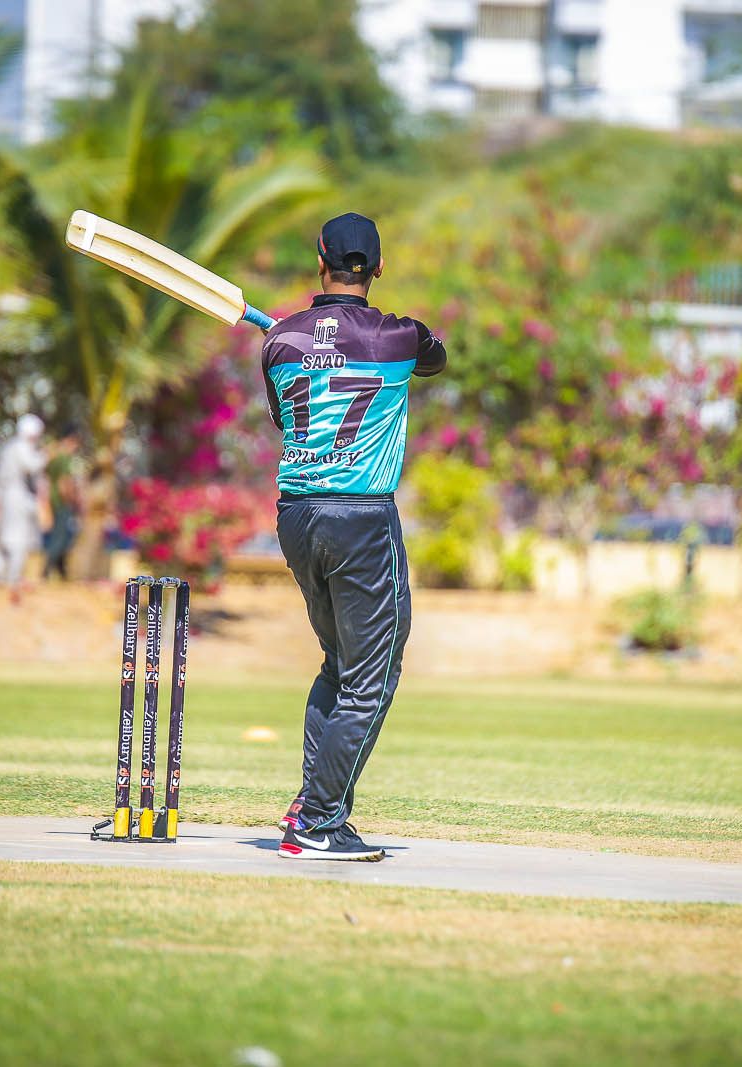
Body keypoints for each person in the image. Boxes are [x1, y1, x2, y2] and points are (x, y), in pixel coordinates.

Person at [263, 212, 447, 861]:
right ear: (380, 267)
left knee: (340, 666)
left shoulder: (279, 340)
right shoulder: (400, 336)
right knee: (372, 675)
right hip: (361, 516)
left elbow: (285, 418)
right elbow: (436, 358)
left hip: (297, 516)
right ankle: (317, 820)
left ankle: (312, 805)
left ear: (320, 261)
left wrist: (319, 351)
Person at [0, 414, 49, 603]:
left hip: (9, 498)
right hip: (16, 499)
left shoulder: (9, 448)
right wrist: (48, 454)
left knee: (7, 539)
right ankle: (12, 579)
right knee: (17, 541)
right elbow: (33, 465)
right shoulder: (20, 447)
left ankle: (0, 574)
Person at [41, 426, 83, 581]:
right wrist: (72, 499)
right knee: (61, 537)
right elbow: (64, 482)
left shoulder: (54, 456)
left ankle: (61, 572)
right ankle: (46, 571)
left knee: (61, 535)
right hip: (61, 500)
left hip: (53, 498)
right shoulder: (64, 457)